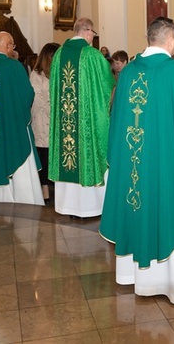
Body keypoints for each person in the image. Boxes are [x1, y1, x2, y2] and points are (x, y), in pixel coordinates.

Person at [100, 17, 174, 305]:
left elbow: (116, 121)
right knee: (168, 208)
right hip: (168, 169)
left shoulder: (126, 75)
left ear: (149, 37)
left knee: (137, 205)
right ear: (172, 41)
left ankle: (140, 279)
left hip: (134, 166)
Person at [48, 18, 115, 217]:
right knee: (89, 149)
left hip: (64, 123)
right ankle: (91, 207)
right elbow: (108, 86)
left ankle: (67, 206)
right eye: (93, 33)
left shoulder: (59, 55)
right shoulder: (93, 56)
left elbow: (54, 89)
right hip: (86, 126)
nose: (92, 37)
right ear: (87, 31)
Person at [0, 32, 44, 205]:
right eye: (12, 46)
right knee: (17, 155)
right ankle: (23, 199)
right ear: (8, 46)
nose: (13, 49)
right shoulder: (15, 67)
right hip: (11, 128)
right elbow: (27, 94)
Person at [30, 42, 60, 203]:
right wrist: (54, 111)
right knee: (44, 155)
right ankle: (44, 190)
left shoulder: (59, 73)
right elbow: (37, 99)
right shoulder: (36, 75)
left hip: (56, 121)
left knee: (55, 155)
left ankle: (56, 185)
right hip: (42, 120)